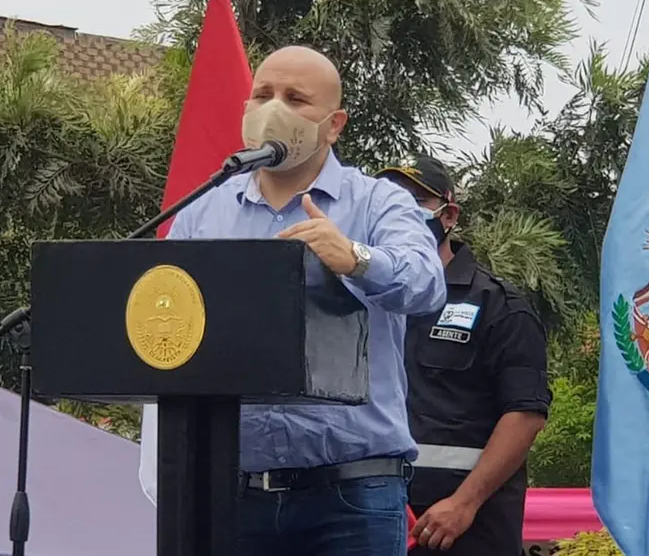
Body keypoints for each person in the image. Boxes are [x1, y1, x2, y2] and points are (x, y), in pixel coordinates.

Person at [138, 46, 446, 556]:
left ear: (334, 124)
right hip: (233, 494)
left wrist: (354, 257)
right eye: (263, 94)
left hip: (351, 496)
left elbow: (425, 284)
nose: (273, 108)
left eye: (295, 99)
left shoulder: (377, 201)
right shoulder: (203, 211)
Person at [375, 157, 551, 555]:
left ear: (449, 215)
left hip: (465, 529)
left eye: (415, 200)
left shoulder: (499, 306)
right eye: (386, 201)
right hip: (371, 520)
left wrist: (464, 503)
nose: (399, 212)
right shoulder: (362, 304)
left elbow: (525, 415)